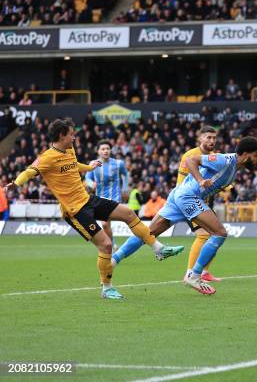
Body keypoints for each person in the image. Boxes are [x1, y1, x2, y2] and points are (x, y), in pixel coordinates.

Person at [4, 118, 181, 299]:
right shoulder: (46, 158)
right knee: (106, 245)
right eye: (71, 135)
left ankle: (158, 248)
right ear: (61, 135)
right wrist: (15, 183)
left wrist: (89, 167)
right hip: (74, 211)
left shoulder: (69, 150)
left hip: (88, 199)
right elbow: (29, 171)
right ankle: (107, 288)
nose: (74, 138)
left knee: (128, 213)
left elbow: (74, 166)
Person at [112, 137, 257, 295]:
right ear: (245, 154)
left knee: (148, 233)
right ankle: (194, 275)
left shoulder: (234, 169)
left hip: (181, 195)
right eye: (256, 155)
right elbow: (191, 160)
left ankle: (113, 260)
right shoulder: (224, 160)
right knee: (219, 233)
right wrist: (200, 180)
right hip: (189, 196)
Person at [177, 126, 222, 282]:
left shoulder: (213, 157)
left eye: (214, 138)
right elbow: (181, 184)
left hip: (206, 202)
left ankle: (203, 272)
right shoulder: (190, 156)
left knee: (217, 234)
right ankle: (190, 273)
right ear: (200, 138)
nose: (212, 141)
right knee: (203, 234)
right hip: (190, 201)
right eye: (208, 137)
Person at [85, 140, 129, 251]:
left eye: (108, 149)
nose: (106, 151)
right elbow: (87, 178)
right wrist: (91, 184)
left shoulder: (119, 163)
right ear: (98, 151)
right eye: (103, 149)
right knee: (105, 225)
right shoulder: (93, 164)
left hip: (114, 197)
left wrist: (125, 188)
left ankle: (112, 245)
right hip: (100, 197)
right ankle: (113, 245)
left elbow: (126, 174)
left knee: (105, 224)